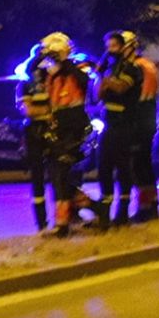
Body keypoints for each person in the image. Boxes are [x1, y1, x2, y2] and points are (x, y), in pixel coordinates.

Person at [41, 32, 107, 236]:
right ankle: (94, 208)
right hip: (59, 128)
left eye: (51, 53)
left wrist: (65, 63)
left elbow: (86, 79)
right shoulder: (50, 72)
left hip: (73, 128)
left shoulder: (76, 68)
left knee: (60, 176)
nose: (48, 57)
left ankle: (63, 225)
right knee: (58, 178)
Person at [95, 31, 144, 227]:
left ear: (123, 47)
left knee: (123, 168)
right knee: (103, 168)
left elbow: (121, 88)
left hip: (125, 124)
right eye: (108, 46)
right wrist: (101, 77)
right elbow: (98, 94)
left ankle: (122, 213)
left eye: (114, 45)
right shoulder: (109, 68)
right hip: (109, 124)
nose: (110, 50)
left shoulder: (131, 69)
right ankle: (105, 213)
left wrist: (107, 81)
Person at [124, 32, 159, 222]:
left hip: (138, 123)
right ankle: (152, 204)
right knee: (145, 165)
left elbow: (131, 97)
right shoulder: (147, 65)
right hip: (147, 120)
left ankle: (145, 208)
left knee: (138, 167)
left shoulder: (136, 67)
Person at [18, 45, 54, 232]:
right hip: (34, 133)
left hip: (51, 131)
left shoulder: (53, 82)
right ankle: (41, 222)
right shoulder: (24, 85)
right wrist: (49, 111)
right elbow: (28, 111)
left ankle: (63, 216)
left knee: (58, 175)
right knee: (38, 178)